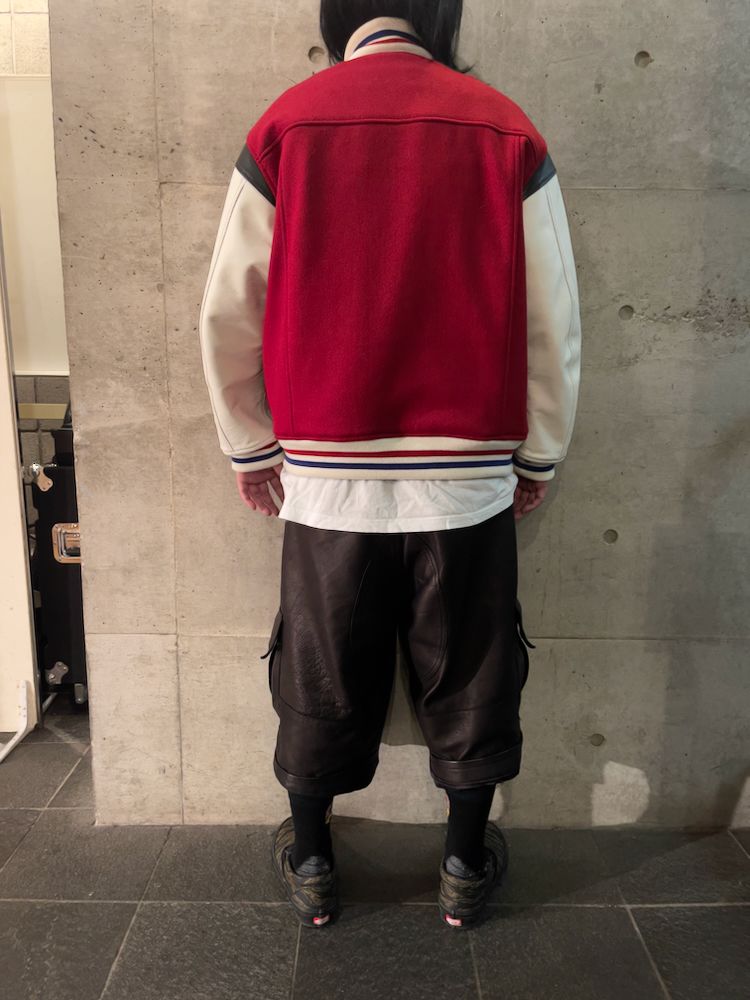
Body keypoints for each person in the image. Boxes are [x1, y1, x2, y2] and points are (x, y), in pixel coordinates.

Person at [198, 0, 581, 929]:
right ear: (442, 14)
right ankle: (461, 867)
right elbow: (552, 317)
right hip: (468, 477)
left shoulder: (289, 125)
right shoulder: (504, 128)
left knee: (320, 668)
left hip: (327, 479)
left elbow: (229, 307)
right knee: (474, 670)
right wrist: (541, 452)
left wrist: (249, 443)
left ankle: (315, 865)